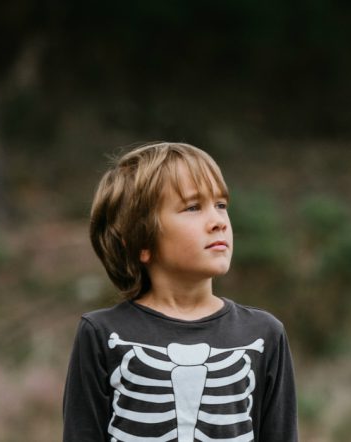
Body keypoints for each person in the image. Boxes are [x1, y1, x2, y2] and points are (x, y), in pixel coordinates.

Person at [63, 142, 298, 442]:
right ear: (141, 242)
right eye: (192, 207)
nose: (218, 222)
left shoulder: (264, 335)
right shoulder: (101, 334)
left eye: (221, 205)